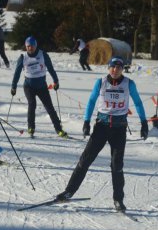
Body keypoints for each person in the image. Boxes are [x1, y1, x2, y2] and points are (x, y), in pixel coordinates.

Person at [55, 57, 148, 211]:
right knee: (85, 160)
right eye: (112, 67)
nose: (115, 70)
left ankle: (118, 200)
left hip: (119, 128)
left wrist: (144, 123)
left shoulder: (129, 84)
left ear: (122, 69)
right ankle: (69, 191)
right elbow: (91, 102)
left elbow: (138, 103)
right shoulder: (101, 82)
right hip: (101, 127)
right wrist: (86, 122)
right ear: (108, 68)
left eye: (118, 67)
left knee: (117, 165)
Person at [11, 36, 67, 138]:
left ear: (35, 46)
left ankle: (59, 129)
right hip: (29, 86)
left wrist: (56, 81)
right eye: (28, 46)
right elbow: (17, 73)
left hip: (42, 87)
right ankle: (31, 128)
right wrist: (13, 86)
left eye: (32, 46)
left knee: (49, 107)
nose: (30, 48)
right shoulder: (23, 57)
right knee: (32, 104)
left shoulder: (43, 55)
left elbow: (50, 68)